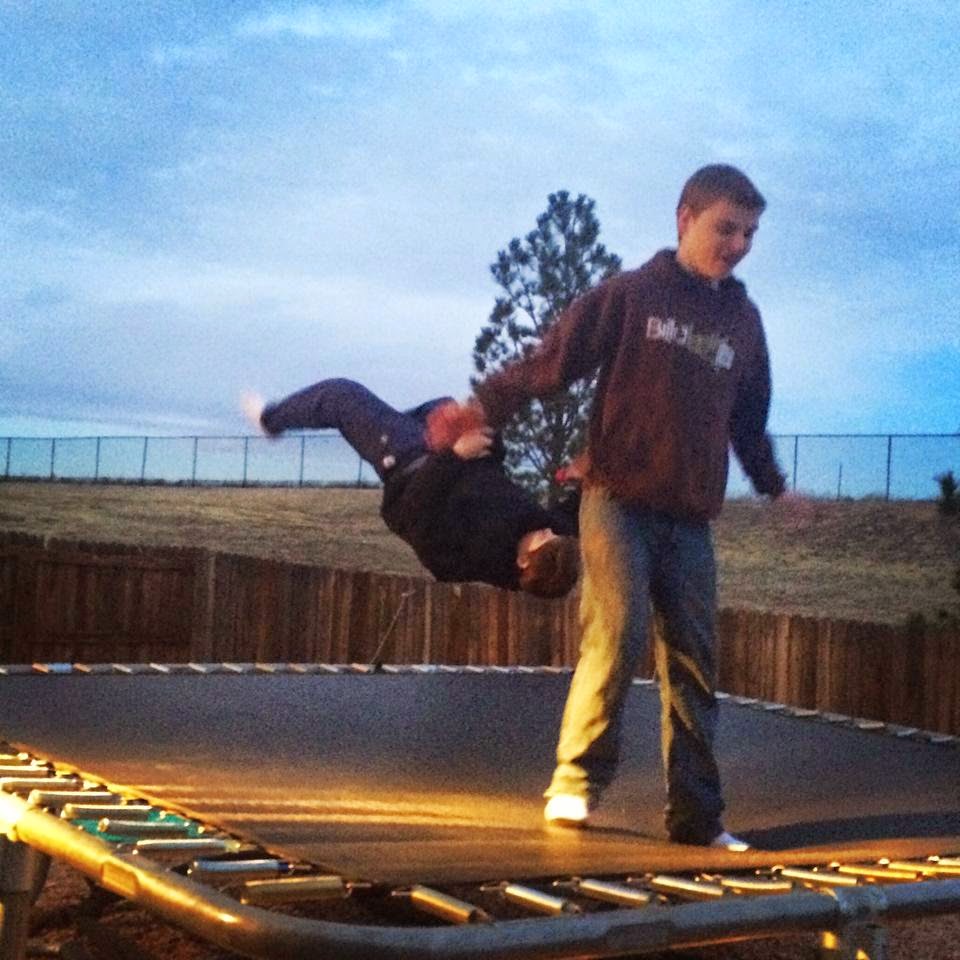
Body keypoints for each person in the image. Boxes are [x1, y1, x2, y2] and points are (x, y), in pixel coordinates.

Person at [468, 165, 788, 849]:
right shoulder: (633, 295)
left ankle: (697, 818)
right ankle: (574, 783)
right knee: (618, 634)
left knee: (697, 662)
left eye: (750, 233)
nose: (737, 244)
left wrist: (774, 485)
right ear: (685, 219)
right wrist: (484, 404)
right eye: (725, 228)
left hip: (691, 518)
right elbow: (552, 361)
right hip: (616, 500)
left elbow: (749, 419)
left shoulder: (743, 321)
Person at [242, 379, 580, 598]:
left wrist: (456, 455)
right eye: (553, 531)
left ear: (523, 561)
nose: (546, 526)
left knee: (341, 397)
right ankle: (379, 424)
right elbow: (578, 510)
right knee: (442, 405)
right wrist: (591, 472)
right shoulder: (551, 537)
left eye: (544, 536)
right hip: (450, 451)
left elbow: (412, 514)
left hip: (411, 464)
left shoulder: (466, 557)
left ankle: (270, 421)